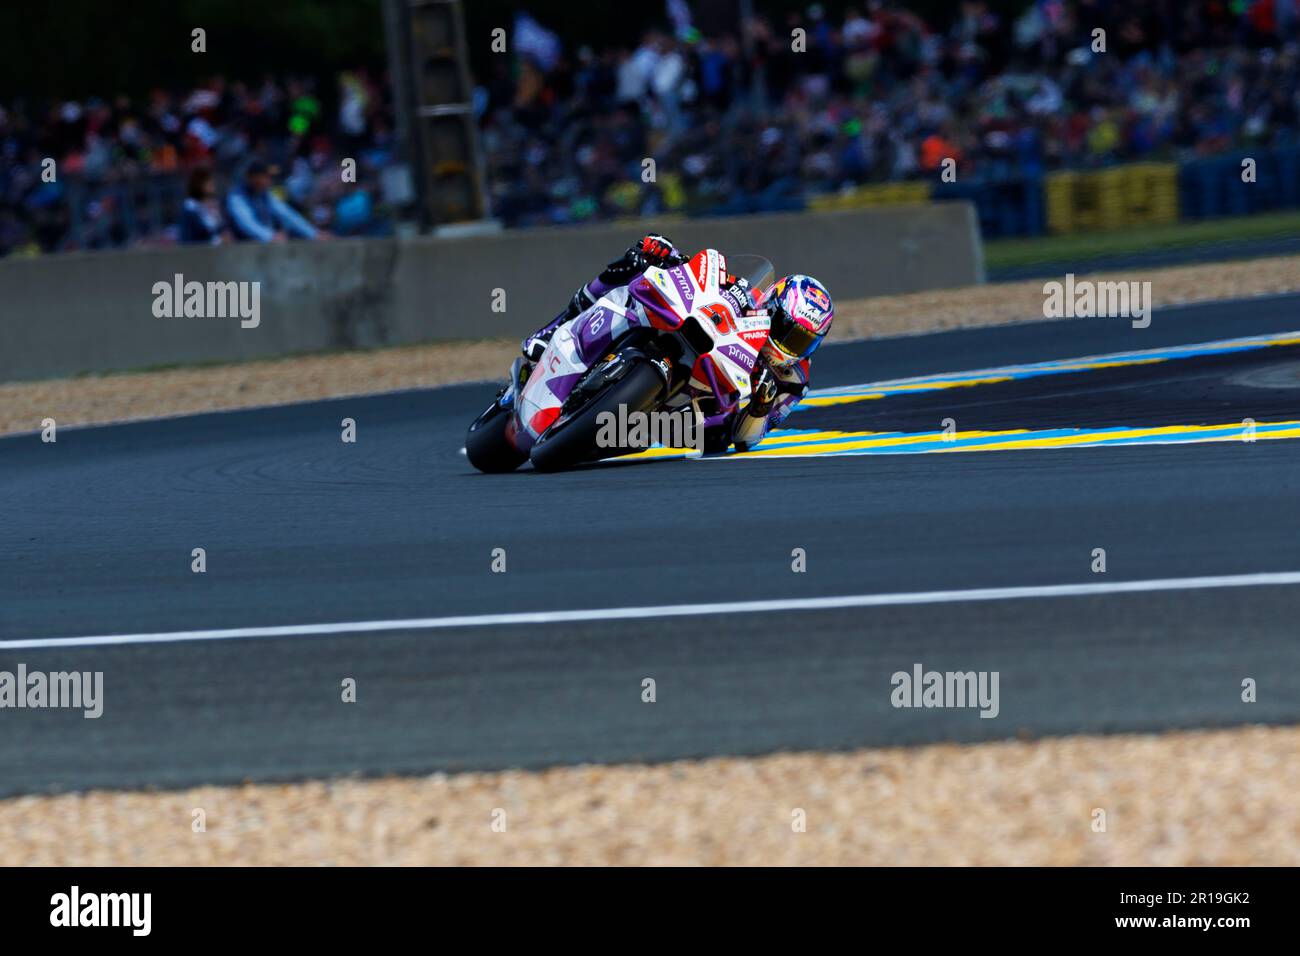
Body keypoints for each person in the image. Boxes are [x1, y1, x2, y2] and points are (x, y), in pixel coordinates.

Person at [520, 234, 834, 453]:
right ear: (772, 307)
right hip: (691, 345)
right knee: (635, 264)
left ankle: (619, 431)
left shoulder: (794, 380)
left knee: (719, 436)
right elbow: (699, 280)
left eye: (803, 342)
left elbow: (748, 439)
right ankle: (553, 330)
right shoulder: (748, 297)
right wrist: (669, 257)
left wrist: (761, 405)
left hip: (693, 416)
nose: (789, 347)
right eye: (788, 332)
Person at [224, 160, 322, 242]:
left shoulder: (265, 194)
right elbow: (247, 224)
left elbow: (286, 214)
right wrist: (270, 236)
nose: (269, 180)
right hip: (241, 248)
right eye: (266, 176)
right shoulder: (237, 196)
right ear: (252, 177)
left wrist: (314, 234)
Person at [177, 167, 227, 244]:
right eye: (209, 183)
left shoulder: (213, 205)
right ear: (199, 185)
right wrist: (218, 241)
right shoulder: (190, 208)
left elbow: (219, 230)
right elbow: (192, 239)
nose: (212, 186)